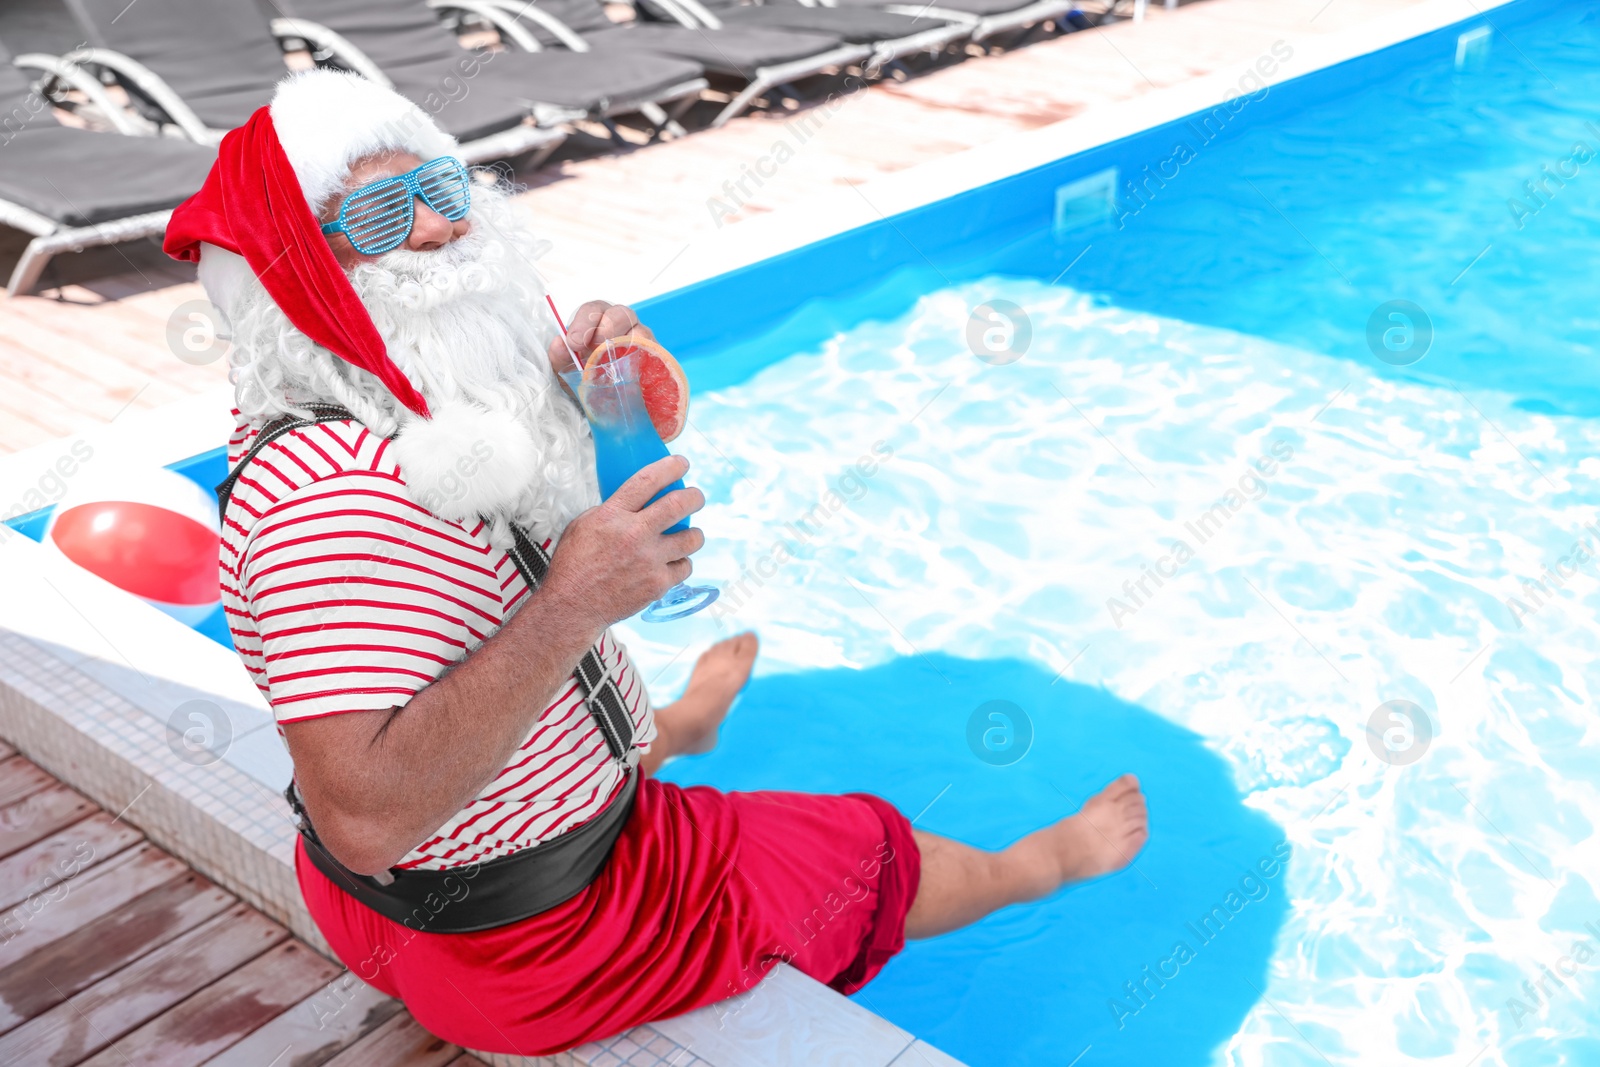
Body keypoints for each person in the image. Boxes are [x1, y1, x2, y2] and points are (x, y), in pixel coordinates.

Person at [165, 69, 1150, 1056]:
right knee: (863, 845)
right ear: (295, 271)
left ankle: (667, 730)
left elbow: (570, 516)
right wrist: (571, 608)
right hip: (533, 944)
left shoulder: (414, 398)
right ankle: (1041, 862)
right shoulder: (326, 500)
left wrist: (603, 386)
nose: (435, 228)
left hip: (432, 889)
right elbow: (364, 822)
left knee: (595, 701)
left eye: (441, 187)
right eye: (379, 211)